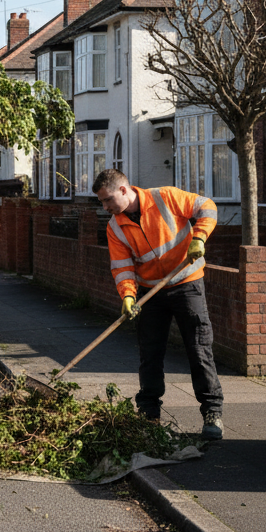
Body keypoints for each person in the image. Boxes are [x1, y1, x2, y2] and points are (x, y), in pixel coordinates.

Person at [92, 168, 224, 440]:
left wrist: (199, 237)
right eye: (102, 202)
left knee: (198, 349)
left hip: (187, 283)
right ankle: (149, 415)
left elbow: (207, 207)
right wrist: (128, 296)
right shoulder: (115, 226)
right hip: (150, 291)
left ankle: (212, 412)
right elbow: (122, 267)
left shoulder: (165, 197)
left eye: (107, 200)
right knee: (150, 354)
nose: (105, 207)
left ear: (124, 190)